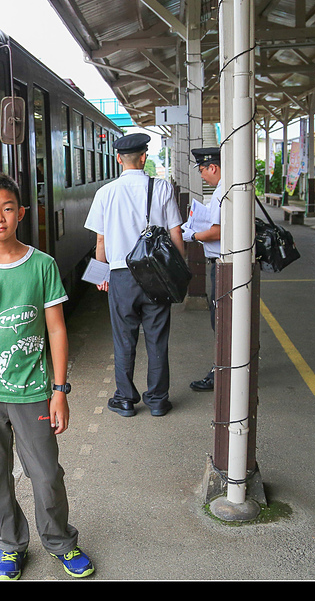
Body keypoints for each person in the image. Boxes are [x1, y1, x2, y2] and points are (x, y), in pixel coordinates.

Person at [0, 172, 94, 581]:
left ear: (21, 213)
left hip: (33, 392)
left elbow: (57, 330)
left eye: (8, 209)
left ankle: (60, 541)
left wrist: (59, 390)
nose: (0, 218)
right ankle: (10, 546)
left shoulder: (42, 265)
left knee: (47, 473)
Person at [84, 133, 185, 418]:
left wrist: (98, 276)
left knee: (124, 339)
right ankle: (157, 400)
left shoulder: (105, 192)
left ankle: (125, 399)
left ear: (118, 159)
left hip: (120, 275)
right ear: (144, 157)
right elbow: (175, 232)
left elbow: (100, 241)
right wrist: (180, 269)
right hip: (156, 274)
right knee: (157, 338)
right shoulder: (162, 187)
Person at [185, 147, 222, 392]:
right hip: (222, 264)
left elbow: (217, 231)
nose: (201, 175)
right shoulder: (227, 190)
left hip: (223, 265)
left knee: (220, 321)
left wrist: (193, 235)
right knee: (221, 320)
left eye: (202, 170)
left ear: (213, 167)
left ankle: (221, 371)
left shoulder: (222, 194)